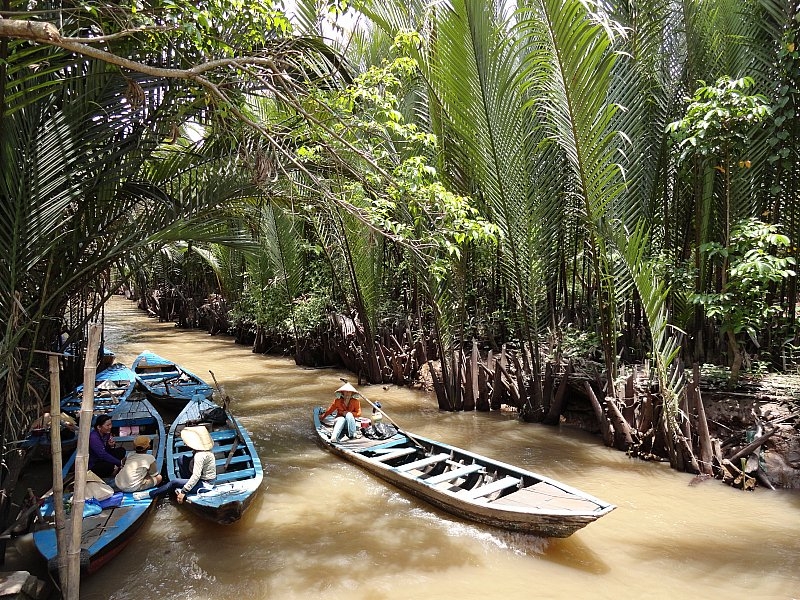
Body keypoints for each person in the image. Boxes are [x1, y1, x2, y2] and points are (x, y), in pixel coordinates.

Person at [133, 426, 216, 502]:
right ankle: (186, 484)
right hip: (200, 480)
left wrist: (184, 491)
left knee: (174, 482)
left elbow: (196, 476)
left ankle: (149, 494)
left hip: (204, 485)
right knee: (181, 459)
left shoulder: (199, 456)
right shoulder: (205, 451)